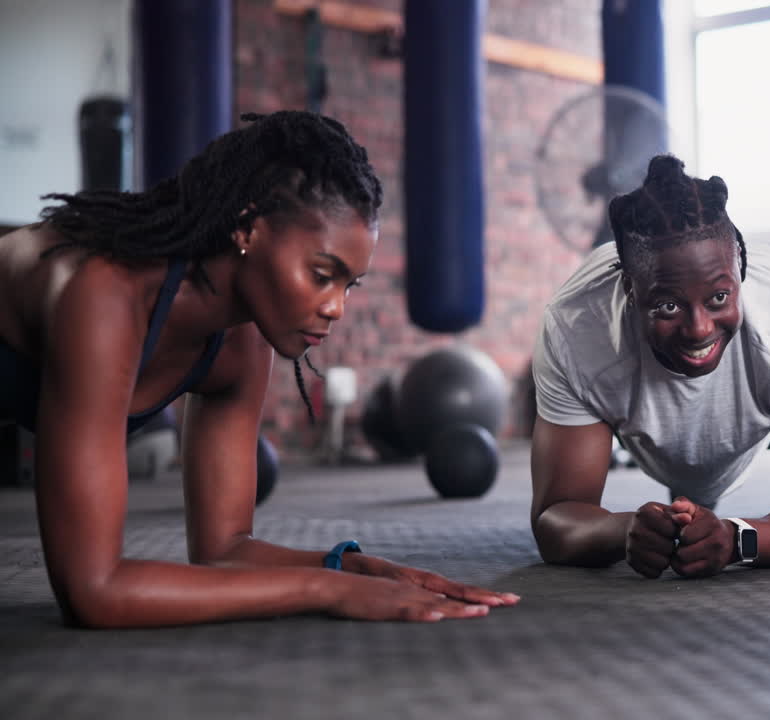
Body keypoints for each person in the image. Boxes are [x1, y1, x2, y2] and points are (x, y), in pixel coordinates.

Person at [0, 110, 518, 628]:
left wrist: (350, 567)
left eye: (348, 285)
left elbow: (223, 551)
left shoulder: (242, 343)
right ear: (247, 227)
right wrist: (325, 590)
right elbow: (93, 591)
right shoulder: (107, 294)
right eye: (322, 274)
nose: (336, 307)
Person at [530, 155, 770, 579]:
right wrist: (624, 530)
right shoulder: (576, 329)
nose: (698, 329)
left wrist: (736, 537)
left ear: (740, 270)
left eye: (719, 298)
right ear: (630, 290)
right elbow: (553, 518)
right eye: (668, 305)